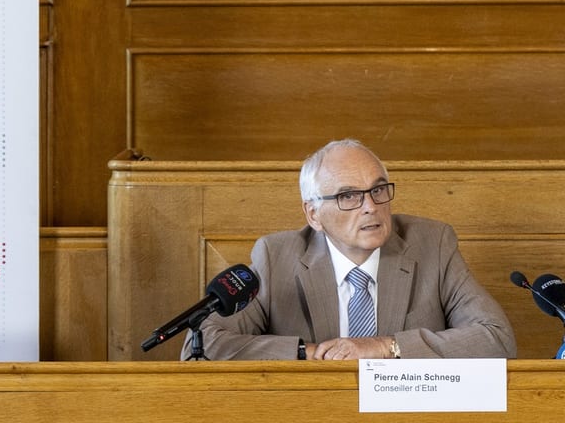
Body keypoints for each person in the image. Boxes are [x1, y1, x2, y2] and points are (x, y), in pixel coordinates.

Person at [182, 138, 516, 360]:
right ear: (314, 214)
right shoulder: (277, 257)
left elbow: (497, 339)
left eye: (378, 190)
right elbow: (203, 344)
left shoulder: (432, 245)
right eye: (348, 196)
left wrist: (386, 347)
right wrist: (310, 353)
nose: (370, 207)